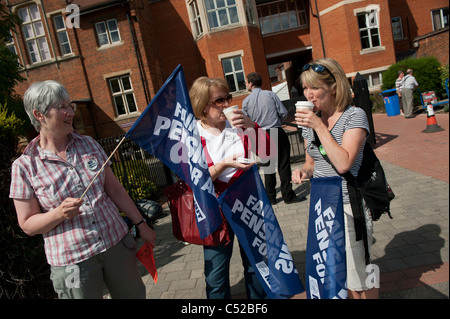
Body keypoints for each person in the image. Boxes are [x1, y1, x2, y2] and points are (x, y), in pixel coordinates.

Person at [9, 80, 156, 299]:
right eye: (62, 107)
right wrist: (58, 213)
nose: (70, 112)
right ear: (39, 115)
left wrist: (141, 224)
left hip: (115, 242)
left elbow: (115, 190)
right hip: (73, 260)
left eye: (71, 106)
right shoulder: (25, 166)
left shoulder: (88, 144)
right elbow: (28, 224)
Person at [291, 58, 378, 299]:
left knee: (360, 275)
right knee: (339, 272)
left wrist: (320, 127)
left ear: (334, 87)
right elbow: (312, 161)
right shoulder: (311, 121)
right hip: (324, 206)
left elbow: (343, 163)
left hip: (351, 204)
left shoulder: (354, 116)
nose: (309, 94)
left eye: (315, 87)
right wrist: (303, 172)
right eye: (306, 88)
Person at [189, 76, 268, 299]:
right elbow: (194, 181)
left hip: (248, 203)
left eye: (228, 98)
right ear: (203, 105)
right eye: (219, 100)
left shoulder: (239, 126)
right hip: (215, 210)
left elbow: (267, 154)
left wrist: (252, 126)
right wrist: (223, 164)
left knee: (256, 265)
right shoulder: (192, 136)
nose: (227, 104)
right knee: (216, 276)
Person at [242, 72, 299, 204]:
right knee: (283, 165)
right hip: (276, 130)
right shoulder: (270, 94)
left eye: (246, 82)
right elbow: (284, 113)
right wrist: (277, 121)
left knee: (268, 166)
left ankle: (271, 197)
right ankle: (288, 196)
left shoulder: (246, 101)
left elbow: (245, 120)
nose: (246, 84)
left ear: (250, 83)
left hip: (261, 133)